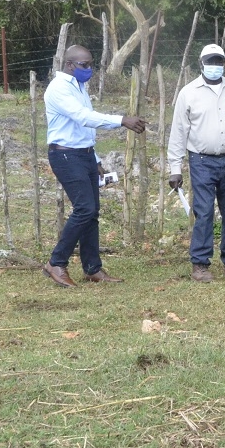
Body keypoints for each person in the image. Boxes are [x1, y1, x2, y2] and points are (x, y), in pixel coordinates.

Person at [42, 45, 147, 288]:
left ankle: (92, 268)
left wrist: (95, 158)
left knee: (92, 214)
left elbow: (82, 127)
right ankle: (56, 263)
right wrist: (122, 120)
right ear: (69, 65)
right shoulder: (59, 89)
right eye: (85, 65)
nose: (89, 69)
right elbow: (84, 117)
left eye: (91, 64)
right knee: (84, 209)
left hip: (84, 155)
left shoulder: (78, 87)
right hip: (66, 156)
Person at [167, 44, 225, 282]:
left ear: (224, 64)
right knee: (204, 212)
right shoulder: (188, 93)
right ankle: (200, 264)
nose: (214, 66)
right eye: (210, 61)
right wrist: (175, 168)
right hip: (201, 161)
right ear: (201, 64)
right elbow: (179, 132)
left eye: (218, 61)